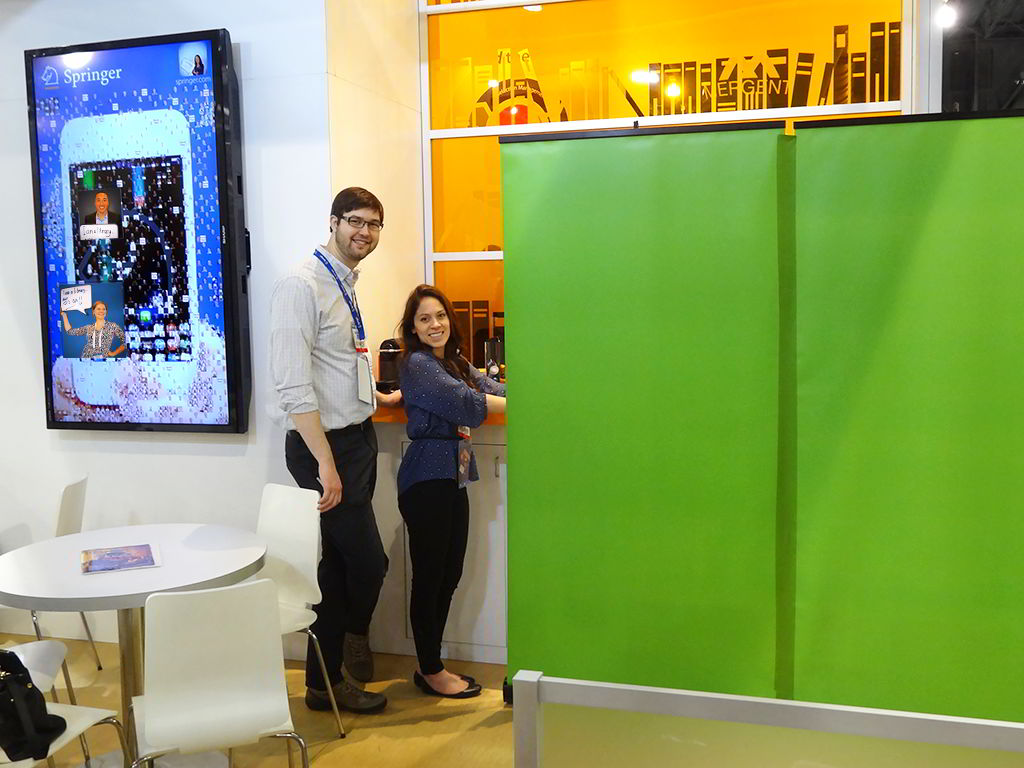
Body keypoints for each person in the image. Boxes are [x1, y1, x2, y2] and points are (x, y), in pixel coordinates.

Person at [269, 187, 400, 715]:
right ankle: (350, 646)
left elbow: (336, 362)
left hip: (355, 439)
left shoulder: (343, 282)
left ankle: (324, 685)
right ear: (333, 222)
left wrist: (377, 396)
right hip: (323, 449)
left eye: (373, 224)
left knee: (341, 566)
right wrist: (326, 463)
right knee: (368, 562)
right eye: (354, 221)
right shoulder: (301, 285)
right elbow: (293, 387)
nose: (363, 232)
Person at [396, 285, 507, 698]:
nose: (435, 324)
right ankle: (430, 669)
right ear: (413, 327)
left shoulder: (453, 360)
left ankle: (431, 663)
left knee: (448, 575)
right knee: (431, 577)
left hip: (451, 476)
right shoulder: (420, 364)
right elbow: (467, 403)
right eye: (424, 319)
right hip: (426, 478)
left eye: (440, 316)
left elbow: (487, 388)